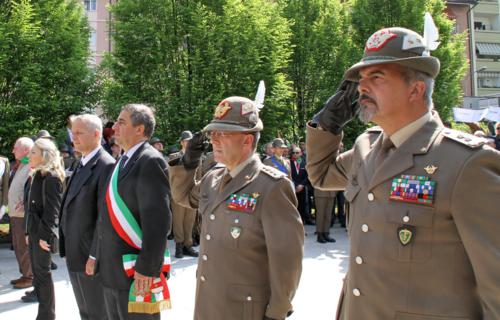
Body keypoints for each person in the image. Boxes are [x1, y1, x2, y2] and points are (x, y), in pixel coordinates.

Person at [306, 27, 500, 319]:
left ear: (416, 89)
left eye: (377, 77)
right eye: (361, 79)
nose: (361, 87)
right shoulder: (366, 147)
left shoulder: (467, 163)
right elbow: (321, 176)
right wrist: (327, 123)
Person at [169, 96, 304, 320]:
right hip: (209, 303)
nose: (215, 140)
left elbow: (287, 259)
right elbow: (183, 196)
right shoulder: (213, 178)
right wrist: (189, 161)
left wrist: (277, 311)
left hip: (245, 310)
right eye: (213, 134)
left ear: (248, 141)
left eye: (224, 134)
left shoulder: (271, 187)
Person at [97, 104, 171, 320]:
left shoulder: (150, 160)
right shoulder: (123, 160)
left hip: (136, 271)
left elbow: (158, 222)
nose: (114, 127)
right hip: (114, 269)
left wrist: (148, 268)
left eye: (121, 122)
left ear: (139, 129)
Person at [59, 114, 115, 320]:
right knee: (86, 311)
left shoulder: (105, 165)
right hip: (76, 253)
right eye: (72, 133)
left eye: (79, 133)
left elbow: (105, 216)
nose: (73, 138)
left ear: (97, 134)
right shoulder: (80, 162)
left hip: (90, 256)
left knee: (98, 312)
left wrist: (95, 254)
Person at [24, 138, 64, 319]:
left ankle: (47, 315)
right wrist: (27, 232)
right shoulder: (38, 174)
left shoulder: (51, 177)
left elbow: (51, 211)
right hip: (33, 231)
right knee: (38, 275)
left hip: (41, 233)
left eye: (33, 152)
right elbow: (30, 207)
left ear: (44, 155)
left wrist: (42, 236)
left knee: (43, 275)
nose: (29, 155)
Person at [8, 138, 34, 289]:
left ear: (25, 149)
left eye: (15, 148)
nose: (12, 151)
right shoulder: (22, 163)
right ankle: (25, 274)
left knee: (23, 247)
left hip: (22, 214)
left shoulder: (31, 164)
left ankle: (29, 276)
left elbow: (31, 188)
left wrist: (24, 203)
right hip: (15, 213)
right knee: (18, 246)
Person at [169, 131, 198, 259]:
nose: (189, 143)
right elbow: (171, 176)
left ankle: (188, 244)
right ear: (182, 142)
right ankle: (179, 246)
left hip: (192, 193)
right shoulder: (175, 157)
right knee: (178, 220)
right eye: (186, 141)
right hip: (178, 193)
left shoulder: (197, 156)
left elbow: (200, 174)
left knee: (190, 220)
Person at [290, 147, 314, 225]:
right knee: (293, 207)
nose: (295, 154)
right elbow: (288, 175)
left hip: (302, 188)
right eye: (293, 153)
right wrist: (295, 185)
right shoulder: (288, 162)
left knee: (302, 207)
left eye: (297, 153)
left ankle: (301, 225)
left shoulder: (304, 163)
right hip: (292, 188)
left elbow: (307, 175)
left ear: (300, 153)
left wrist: (302, 185)